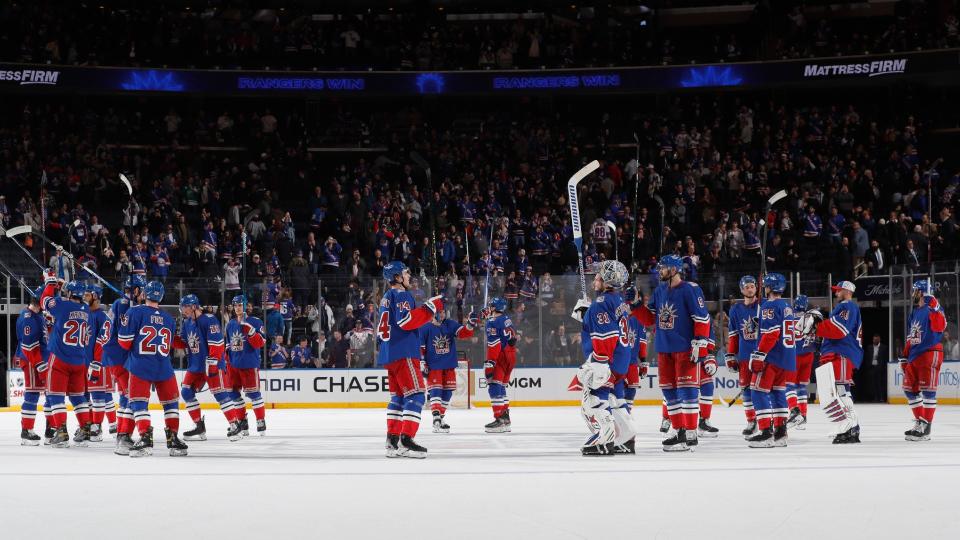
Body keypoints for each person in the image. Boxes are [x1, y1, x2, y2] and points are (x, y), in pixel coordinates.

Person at [628, 254, 710, 451]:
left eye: (663, 268)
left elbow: (702, 318)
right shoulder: (660, 291)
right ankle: (679, 429)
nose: (660, 271)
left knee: (688, 390)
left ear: (674, 269)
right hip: (664, 349)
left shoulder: (691, 289)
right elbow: (649, 320)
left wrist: (700, 342)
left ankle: (691, 432)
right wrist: (636, 304)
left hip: (684, 349)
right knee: (669, 391)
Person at [376, 261, 443, 458]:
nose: (408, 276)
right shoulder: (402, 294)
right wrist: (430, 308)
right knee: (416, 396)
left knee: (398, 397)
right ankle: (406, 440)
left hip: (390, 353)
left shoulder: (386, 297)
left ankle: (392, 440)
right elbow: (405, 321)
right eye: (405, 273)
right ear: (397, 277)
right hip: (404, 351)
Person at [115, 281, 188, 457]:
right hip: (164, 366)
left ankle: (145, 437)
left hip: (141, 365)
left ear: (144, 294)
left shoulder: (134, 311)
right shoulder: (169, 318)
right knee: (171, 404)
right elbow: (170, 343)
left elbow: (124, 342)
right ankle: (173, 440)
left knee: (139, 403)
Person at [571, 260, 634, 455]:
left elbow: (606, 337)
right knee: (616, 399)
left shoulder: (601, 304)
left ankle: (604, 439)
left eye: (598, 275)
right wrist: (587, 315)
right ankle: (626, 438)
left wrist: (598, 364)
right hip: (622, 359)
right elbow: (610, 326)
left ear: (607, 280)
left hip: (608, 359)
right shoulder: (619, 301)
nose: (595, 278)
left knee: (593, 399)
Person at [174, 294, 240, 442]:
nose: (182, 310)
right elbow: (184, 343)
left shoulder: (209, 320)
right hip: (196, 366)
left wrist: (213, 364)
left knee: (220, 394)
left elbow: (217, 344)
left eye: (184, 307)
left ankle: (235, 425)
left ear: (193, 306)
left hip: (212, 364)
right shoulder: (187, 323)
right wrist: (169, 337)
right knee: (186, 392)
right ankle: (199, 426)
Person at [39, 275, 93, 448]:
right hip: (79, 360)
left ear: (70, 293)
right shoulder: (86, 310)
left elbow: (45, 301)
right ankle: (85, 430)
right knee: (78, 397)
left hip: (60, 358)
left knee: (55, 396)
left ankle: (61, 432)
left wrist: (50, 283)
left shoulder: (62, 305)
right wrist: (63, 287)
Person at [808, 280, 864, 444]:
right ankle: (849, 427)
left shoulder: (847, 306)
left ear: (846, 291)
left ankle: (851, 427)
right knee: (839, 391)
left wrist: (818, 325)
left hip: (841, 352)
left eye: (838, 290)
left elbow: (840, 330)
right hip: (837, 352)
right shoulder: (844, 308)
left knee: (841, 390)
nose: (836, 293)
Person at [94, 274, 145, 451]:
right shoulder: (125, 306)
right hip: (119, 357)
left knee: (126, 395)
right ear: (137, 290)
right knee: (131, 395)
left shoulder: (119, 304)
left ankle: (122, 433)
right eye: (142, 291)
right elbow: (127, 336)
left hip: (114, 356)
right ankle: (123, 436)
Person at [746, 273, 797, 448]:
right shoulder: (787, 306)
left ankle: (766, 432)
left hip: (771, 357)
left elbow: (771, 334)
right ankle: (781, 433)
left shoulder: (769, 306)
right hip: (786, 357)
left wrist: (759, 354)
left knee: (757, 391)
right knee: (777, 393)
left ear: (768, 288)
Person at [899, 280, 947, 441]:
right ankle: (920, 422)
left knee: (928, 391)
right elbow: (910, 336)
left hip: (929, 352)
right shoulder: (914, 312)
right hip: (914, 354)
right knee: (909, 389)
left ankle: (926, 429)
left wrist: (935, 307)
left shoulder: (933, 309)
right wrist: (905, 355)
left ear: (921, 292)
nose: (912, 294)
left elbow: (941, 326)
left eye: (914, 291)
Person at [418, 308, 477, 433]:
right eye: (441, 312)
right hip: (434, 365)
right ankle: (436, 418)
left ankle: (440, 417)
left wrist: (470, 324)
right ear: (434, 314)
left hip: (449, 364)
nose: (443, 314)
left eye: (444, 312)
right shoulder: (425, 328)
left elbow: (463, 333)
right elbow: (421, 347)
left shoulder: (450, 324)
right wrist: (422, 362)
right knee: (436, 391)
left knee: (448, 392)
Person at [225, 295, 267, 436]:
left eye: (240, 305)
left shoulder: (255, 321)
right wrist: (226, 361)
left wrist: (251, 331)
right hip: (233, 365)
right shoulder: (230, 324)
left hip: (249, 364)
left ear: (246, 306)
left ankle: (260, 420)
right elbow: (228, 345)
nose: (238, 308)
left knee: (254, 394)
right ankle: (242, 421)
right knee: (232, 393)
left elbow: (261, 342)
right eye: (235, 305)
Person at [725, 275, 760, 438]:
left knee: (765, 389)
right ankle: (751, 421)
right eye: (746, 287)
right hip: (745, 357)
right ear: (741, 290)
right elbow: (733, 335)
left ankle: (769, 419)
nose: (750, 288)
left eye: (752, 286)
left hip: (763, 356)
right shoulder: (735, 310)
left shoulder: (764, 306)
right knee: (746, 390)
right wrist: (731, 355)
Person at [15, 290, 47, 445]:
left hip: (38, 359)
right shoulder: (28, 318)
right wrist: (39, 364)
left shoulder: (37, 315)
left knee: (46, 393)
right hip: (32, 360)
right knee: (32, 394)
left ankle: (49, 429)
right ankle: (26, 431)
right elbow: (28, 345)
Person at [482, 296, 517, 433]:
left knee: (494, 386)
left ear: (495, 308)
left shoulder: (492, 322)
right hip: (511, 355)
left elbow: (494, 345)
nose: (489, 308)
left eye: (491, 306)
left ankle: (499, 419)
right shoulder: (506, 318)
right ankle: (506, 418)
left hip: (500, 355)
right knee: (502, 387)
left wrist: (490, 363)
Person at [82, 283, 110, 443]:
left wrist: (96, 363)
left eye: (88, 294)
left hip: (97, 362)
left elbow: (102, 341)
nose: (85, 297)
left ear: (96, 296)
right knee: (84, 395)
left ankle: (97, 427)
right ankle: (88, 423)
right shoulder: (83, 313)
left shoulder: (102, 317)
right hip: (82, 361)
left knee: (98, 395)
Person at [787, 295, 817, 429]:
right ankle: (803, 417)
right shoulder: (812, 318)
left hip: (793, 356)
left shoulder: (789, 317)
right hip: (808, 355)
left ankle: (795, 413)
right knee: (801, 387)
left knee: (788, 386)